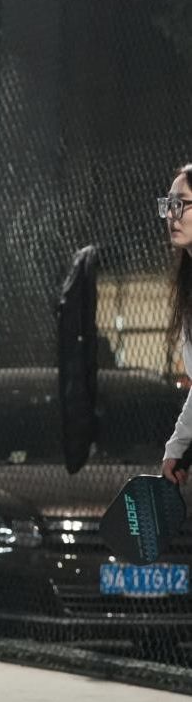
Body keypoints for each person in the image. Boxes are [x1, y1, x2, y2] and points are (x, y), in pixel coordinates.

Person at [162, 164, 192, 485]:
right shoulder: (188, 287)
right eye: (169, 205)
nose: (172, 214)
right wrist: (178, 448)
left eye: (181, 204)